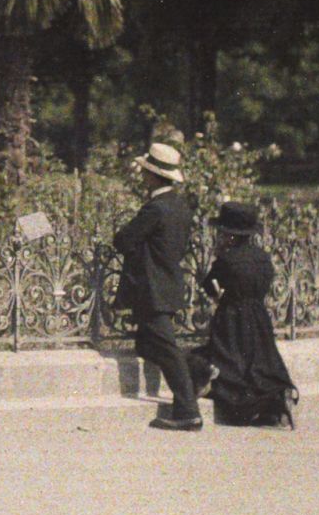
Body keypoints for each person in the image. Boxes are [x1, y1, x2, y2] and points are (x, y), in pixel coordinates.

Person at [112, 140, 201, 430]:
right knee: (150, 344)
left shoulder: (156, 209)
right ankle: (201, 376)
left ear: (153, 176)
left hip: (152, 289)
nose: (142, 177)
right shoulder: (180, 206)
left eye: (145, 172)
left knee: (166, 349)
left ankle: (188, 410)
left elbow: (124, 240)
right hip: (167, 285)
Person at [190, 202, 299, 429]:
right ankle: (278, 400)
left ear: (229, 236)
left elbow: (210, 286)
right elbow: (266, 282)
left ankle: (214, 379)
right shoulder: (262, 258)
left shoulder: (227, 260)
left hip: (231, 317)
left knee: (227, 360)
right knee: (259, 363)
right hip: (258, 318)